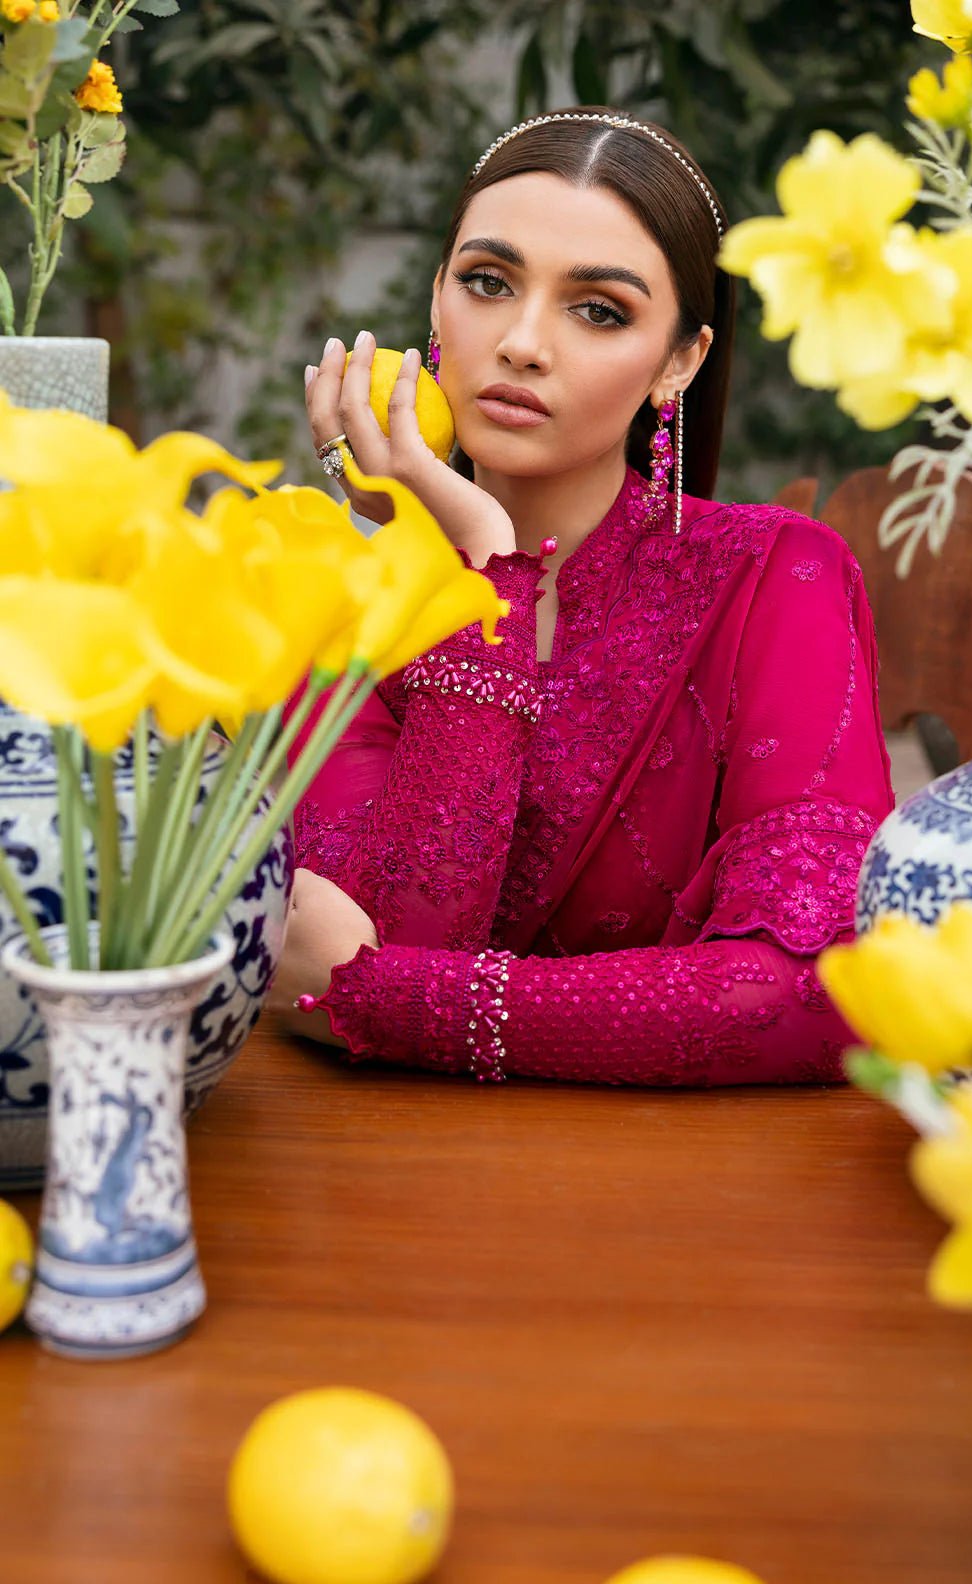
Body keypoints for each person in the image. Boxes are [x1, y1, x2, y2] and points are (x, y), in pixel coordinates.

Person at [268, 107, 894, 1085]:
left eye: (597, 309)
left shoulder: (780, 577)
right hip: (384, 1180)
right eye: (487, 283)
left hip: (687, 1195)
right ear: (436, 304)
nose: (520, 343)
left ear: (679, 360)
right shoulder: (338, 606)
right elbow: (392, 925)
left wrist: (379, 1001)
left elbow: (811, 992)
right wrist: (475, 567)